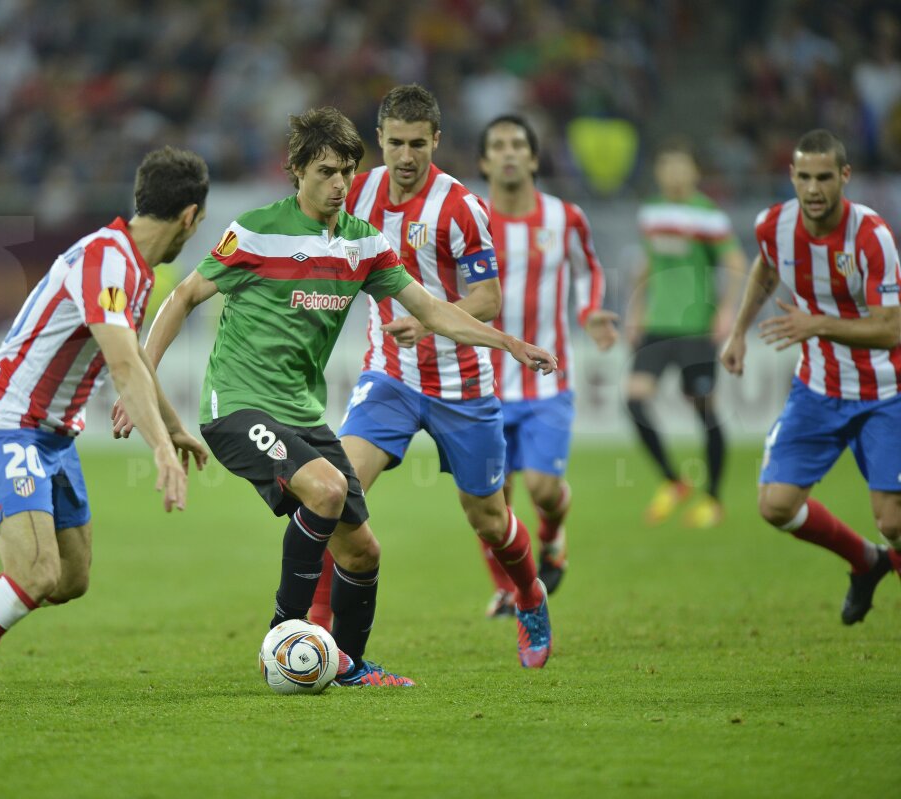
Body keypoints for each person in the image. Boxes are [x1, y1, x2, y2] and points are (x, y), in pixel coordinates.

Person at [114, 106, 559, 681]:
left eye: (347, 171)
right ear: (296, 171)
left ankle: (348, 664)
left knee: (363, 552)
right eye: (325, 172)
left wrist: (509, 343)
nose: (339, 184)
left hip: (303, 415)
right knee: (324, 490)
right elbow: (182, 299)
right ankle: (282, 637)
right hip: (237, 407)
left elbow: (432, 310)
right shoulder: (254, 231)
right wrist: (141, 379)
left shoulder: (362, 243)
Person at [0, 147, 212, 727]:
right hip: (7, 428)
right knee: (35, 571)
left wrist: (175, 426)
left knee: (68, 578)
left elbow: (134, 356)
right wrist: (160, 449)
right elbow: (120, 366)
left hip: (53, 439)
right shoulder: (107, 260)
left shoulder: (131, 266)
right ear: (192, 217)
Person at [305, 87, 559, 667]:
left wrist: (430, 322)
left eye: (418, 143)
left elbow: (489, 297)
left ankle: (528, 593)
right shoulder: (358, 194)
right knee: (333, 490)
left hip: (462, 386)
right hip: (388, 379)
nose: (406, 155)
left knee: (489, 519)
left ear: (436, 141)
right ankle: (315, 628)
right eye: (395, 142)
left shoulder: (460, 206)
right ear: (380, 141)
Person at [721, 128, 901, 625]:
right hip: (818, 390)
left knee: (894, 521)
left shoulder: (871, 237)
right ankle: (866, 562)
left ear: (845, 176)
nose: (814, 188)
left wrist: (816, 323)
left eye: (825, 177)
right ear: (792, 177)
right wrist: (738, 332)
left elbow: (891, 331)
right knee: (776, 505)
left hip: (885, 393)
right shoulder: (773, 226)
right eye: (804, 177)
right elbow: (765, 268)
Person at [472, 114, 619, 617]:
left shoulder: (565, 217)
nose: (509, 152)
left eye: (519, 144)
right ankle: (507, 588)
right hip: (482, 380)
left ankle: (553, 536)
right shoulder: (471, 218)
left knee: (541, 488)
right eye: (499, 145)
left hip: (548, 377)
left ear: (534, 158)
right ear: (484, 161)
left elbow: (589, 269)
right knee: (491, 497)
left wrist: (591, 310)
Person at [625, 139, 748, 527]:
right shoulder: (652, 213)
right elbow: (648, 262)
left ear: (694, 173)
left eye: (682, 167)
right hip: (658, 325)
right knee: (634, 399)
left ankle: (712, 498)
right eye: (668, 167)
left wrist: (727, 311)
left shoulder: (708, 216)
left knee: (705, 410)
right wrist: (636, 309)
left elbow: (735, 261)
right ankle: (673, 481)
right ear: (659, 173)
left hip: (696, 326)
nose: (674, 174)